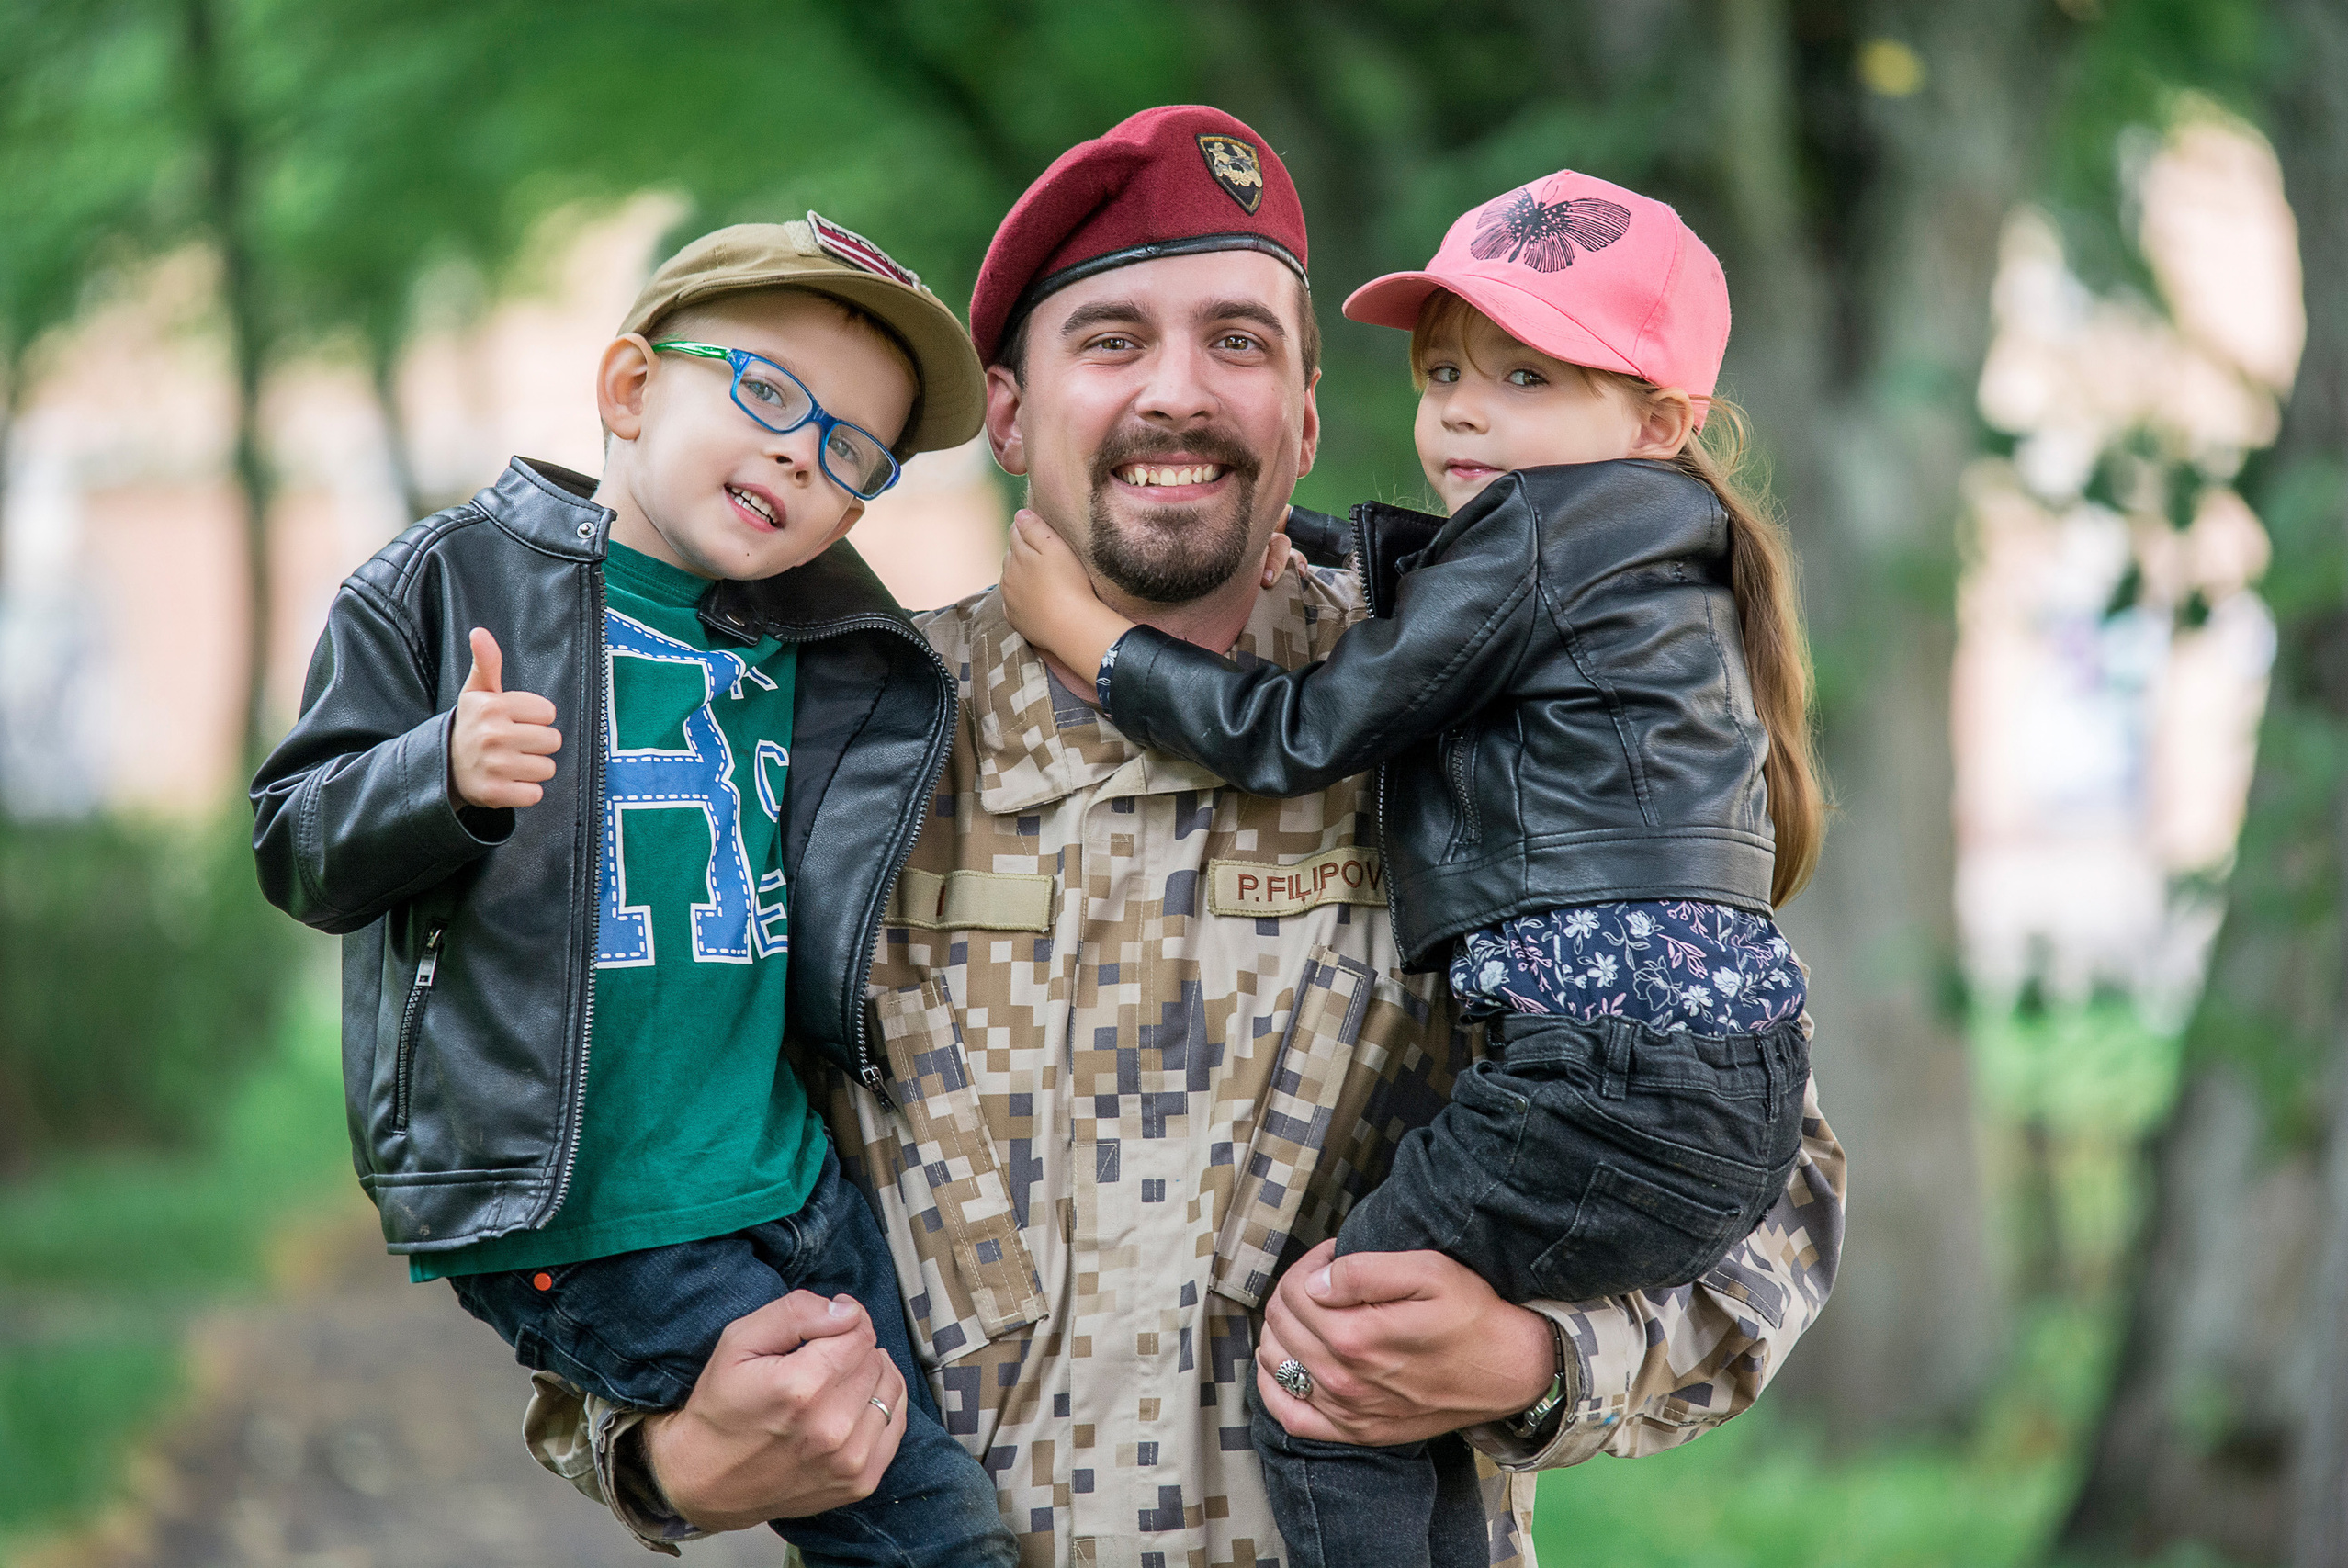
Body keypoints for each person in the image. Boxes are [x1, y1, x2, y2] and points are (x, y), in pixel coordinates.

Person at [524, 109, 1847, 1568]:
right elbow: (611, 1144)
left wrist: (1539, 1363)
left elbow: (1764, 1195)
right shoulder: (825, 739)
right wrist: (661, 1451)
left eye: (1237, 341)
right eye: (1110, 341)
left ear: (1306, 417)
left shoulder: (1504, 714)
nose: (1177, 392)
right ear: (1011, 414)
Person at [999, 167, 1824, 1567]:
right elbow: (1456, 594)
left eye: (1526, 375)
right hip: (1683, 1074)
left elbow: (1304, 732)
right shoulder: (1639, 560)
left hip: (1599, 1076)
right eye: (1445, 375)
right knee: (1368, 1389)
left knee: (1325, 1368)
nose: (1465, 412)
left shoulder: (1549, 540)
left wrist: (1094, 640)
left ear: (1661, 422)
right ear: (1010, 407)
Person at [249, 217, 1019, 1566]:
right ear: (629, 389)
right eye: (768, 392)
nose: (802, 452)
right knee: (924, 1523)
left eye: (852, 450)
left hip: (789, 1179)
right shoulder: (448, 583)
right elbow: (294, 841)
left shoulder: (835, 649)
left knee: (911, 1472)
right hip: (593, 1210)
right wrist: (440, 775)